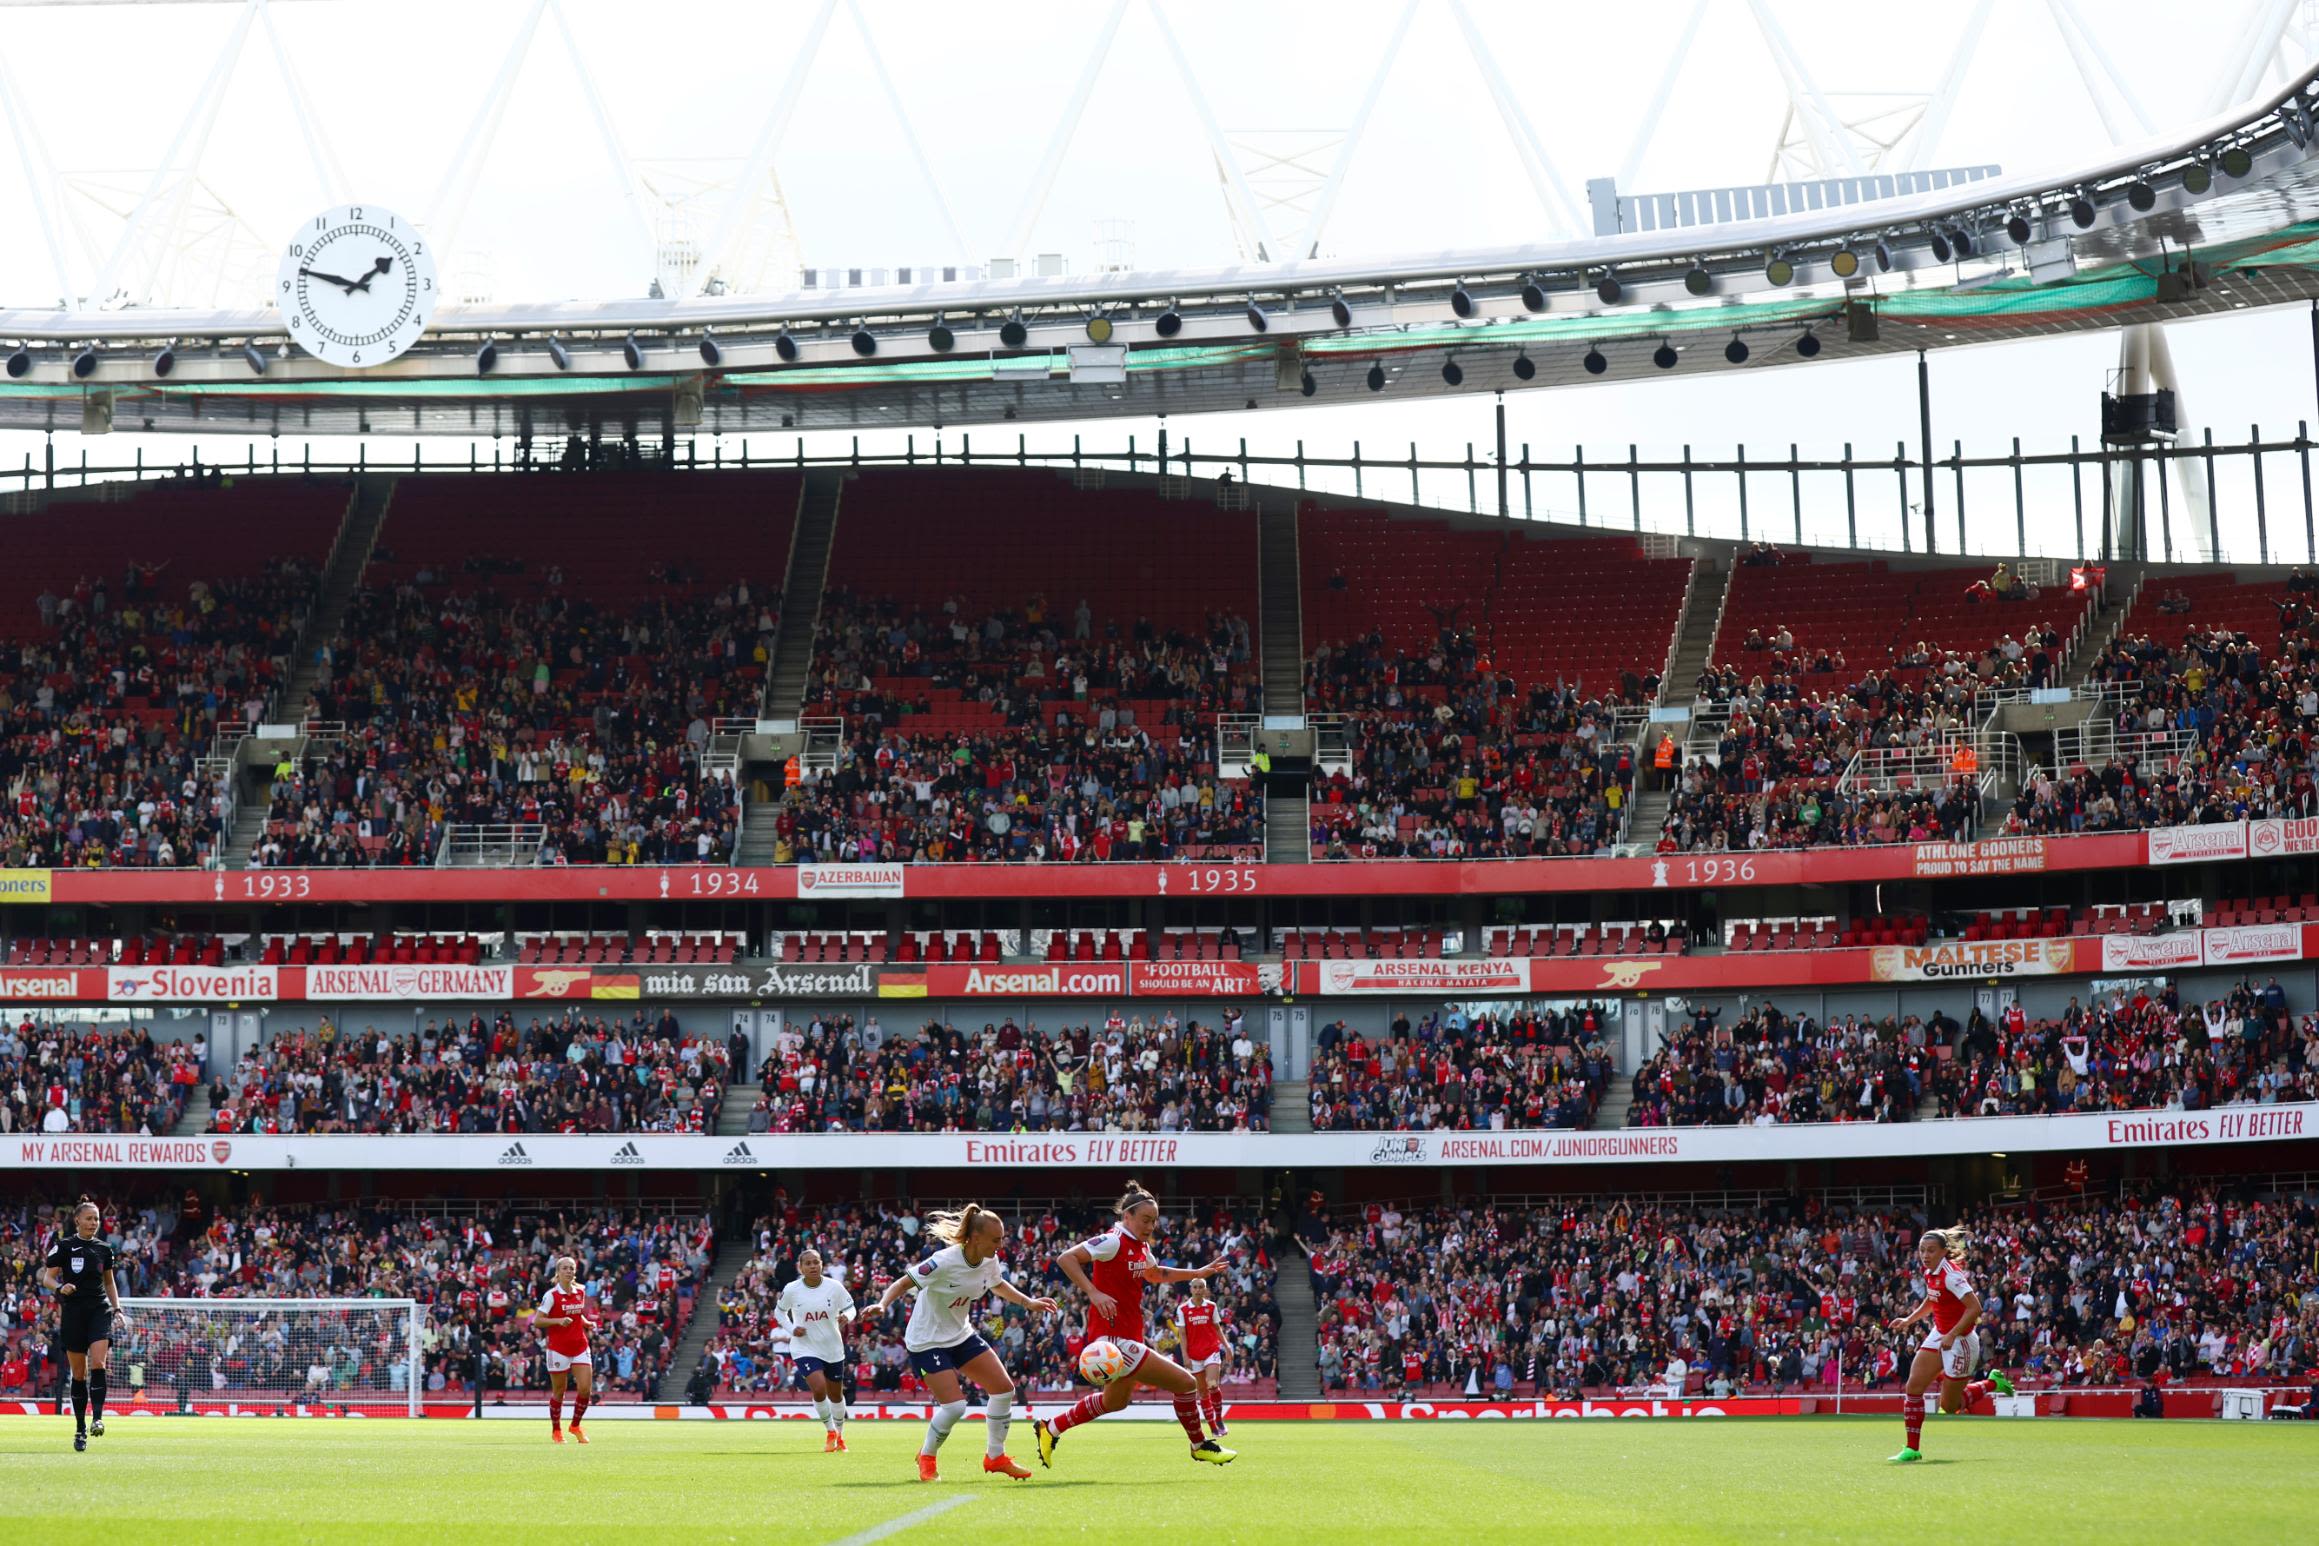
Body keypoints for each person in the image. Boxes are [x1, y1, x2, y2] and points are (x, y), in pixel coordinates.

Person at [1033, 1181, 1237, 1468]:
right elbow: (1066, 1258)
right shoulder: (1112, 1240)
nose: (1150, 1225)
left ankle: (1050, 1428)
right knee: (1186, 1383)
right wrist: (1093, 1291)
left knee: (1115, 1402)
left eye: (1154, 1220)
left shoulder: (1141, 1247)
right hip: (1114, 1339)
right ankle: (1200, 1444)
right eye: (1145, 1219)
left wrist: (1198, 1272)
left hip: (1129, 1335)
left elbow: (1156, 1275)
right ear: (1127, 1216)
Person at [862, 1202, 1054, 1483]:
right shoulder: (943, 1261)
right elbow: (904, 1283)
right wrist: (882, 1303)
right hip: (927, 1341)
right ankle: (927, 1456)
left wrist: (1028, 1302)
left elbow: (996, 1283)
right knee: (955, 1407)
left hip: (960, 1335)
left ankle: (995, 1457)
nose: (1001, 1244)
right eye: (996, 1239)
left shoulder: (989, 1260)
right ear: (976, 1238)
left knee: (1003, 1390)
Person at [1885, 1227, 2012, 1462]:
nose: (1925, 1255)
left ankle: (1993, 1382)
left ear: (1944, 1252)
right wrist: (1908, 1320)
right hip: (1940, 1333)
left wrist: (1953, 1334)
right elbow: (1932, 1301)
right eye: (1922, 1250)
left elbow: (1975, 1308)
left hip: (1961, 1340)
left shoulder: (1951, 1275)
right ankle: (1912, 1449)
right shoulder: (1929, 1272)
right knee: (1913, 1387)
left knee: (1950, 1405)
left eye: (1931, 1250)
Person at [41, 1199, 129, 1453]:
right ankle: (80, 1429)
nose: (94, 1223)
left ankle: (98, 1418)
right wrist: (60, 1287)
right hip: (74, 1313)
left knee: (99, 1363)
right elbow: (47, 1277)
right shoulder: (64, 1247)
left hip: (99, 1310)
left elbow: (110, 1283)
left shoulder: (105, 1249)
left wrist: (117, 1308)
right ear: (77, 1220)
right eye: (89, 1218)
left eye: (96, 1219)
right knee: (79, 1375)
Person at [777, 1248, 857, 1452]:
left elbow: (851, 1307)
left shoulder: (834, 1287)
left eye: (816, 1262)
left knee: (836, 1395)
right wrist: (792, 1329)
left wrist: (848, 1316)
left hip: (832, 1347)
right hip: (805, 1347)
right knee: (819, 1387)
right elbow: (780, 1312)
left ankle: (840, 1436)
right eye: (808, 1263)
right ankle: (830, 1431)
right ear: (800, 1267)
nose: (813, 1266)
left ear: (822, 1264)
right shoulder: (792, 1289)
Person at [534, 1255, 595, 1444]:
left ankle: (575, 1426)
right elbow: (538, 1321)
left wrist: (585, 1322)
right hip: (558, 1349)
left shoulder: (580, 1292)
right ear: (558, 1272)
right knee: (559, 1391)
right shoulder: (551, 1295)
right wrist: (558, 1321)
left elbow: (576, 1314)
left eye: (571, 1268)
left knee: (585, 1390)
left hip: (579, 1346)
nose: (569, 1271)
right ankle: (556, 1430)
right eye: (565, 1268)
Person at [1174, 1276, 1230, 1438]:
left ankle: (1219, 1419)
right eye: (1195, 1287)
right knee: (1203, 1393)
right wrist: (1185, 1356)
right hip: (1193, 1355)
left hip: (1211, 1351)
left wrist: (1227, 1347)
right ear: (1191, 1289)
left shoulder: (1211, 1307)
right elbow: (1182, 1335)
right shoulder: (1183, 1309)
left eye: (1201, 1287)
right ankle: (1212, 1426)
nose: (1198, 1290)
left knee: (1212, 1385)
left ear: (1205, 1290)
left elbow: (1218, 1329)